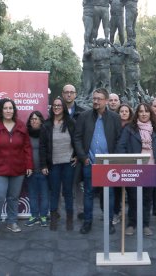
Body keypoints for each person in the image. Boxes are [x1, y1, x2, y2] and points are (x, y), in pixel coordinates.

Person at [74, 87, 122, 234]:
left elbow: (119, 139)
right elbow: (77, 138)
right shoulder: (84, 116)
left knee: (109, 195)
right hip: (90, 163)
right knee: (88, 193)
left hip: (108, 165)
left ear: (106, 101)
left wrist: (114, 159)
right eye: (94, 98)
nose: (95, 101)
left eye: (99, 99)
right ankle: (87, 222)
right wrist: (83, 157)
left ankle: (109, 223)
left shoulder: (115, 117)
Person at [0, 98, 33, 238]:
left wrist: (29, 164)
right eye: (5, 108)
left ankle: (12, 222)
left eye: (10, 108)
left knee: (13, 197)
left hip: (18, 169)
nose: (8, 111)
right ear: (1, 110)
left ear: (14, 110)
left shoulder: (21, 126)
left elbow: (27, 147)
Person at [116, 103, 156, 236]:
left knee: (147, 198)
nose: (144, 114)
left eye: (146, 111)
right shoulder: (129, 129)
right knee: (133, 198)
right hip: (133, 169)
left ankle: (145, 224)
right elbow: (121, 147)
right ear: (137, 114)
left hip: (150, 168)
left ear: (150, 114)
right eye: (141, 111)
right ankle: (132, 224)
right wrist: (127, 163)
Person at [41, 97, 77, 231]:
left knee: (68, 192)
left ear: (63, 107)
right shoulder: (46, 125)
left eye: (59, 105)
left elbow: (77, 141)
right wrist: (43, 165)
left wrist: (77, 156)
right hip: (53, 164)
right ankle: (54, 219)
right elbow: (43, 146)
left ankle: (69, 219)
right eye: (54, 105)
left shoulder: (71, 123)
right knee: (54, 192)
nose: (56, 107)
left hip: (68, 163)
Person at [61, 84, 86, 220]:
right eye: (66, 92)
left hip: (76, 155)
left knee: (78, 184)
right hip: (59, 154)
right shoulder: (57, 111)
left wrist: (78, 155)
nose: (69, 95)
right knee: (58, 185)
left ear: (75, 94)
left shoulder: (82, 112)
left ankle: (80, 210)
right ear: (63, 94)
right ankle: (57, 211)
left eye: (72, 92)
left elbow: (83, 136)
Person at [24, 111, 49, 228]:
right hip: (30, 171)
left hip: (43, 170)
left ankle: (43, 216)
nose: (34, 121)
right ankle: (34, 215)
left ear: (41, 121)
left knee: (44, 195)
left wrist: (47, 166)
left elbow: (49, 151)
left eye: (36, 119)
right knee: (33, 194)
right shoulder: (26, 134)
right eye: (32, 119)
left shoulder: (45, 133)